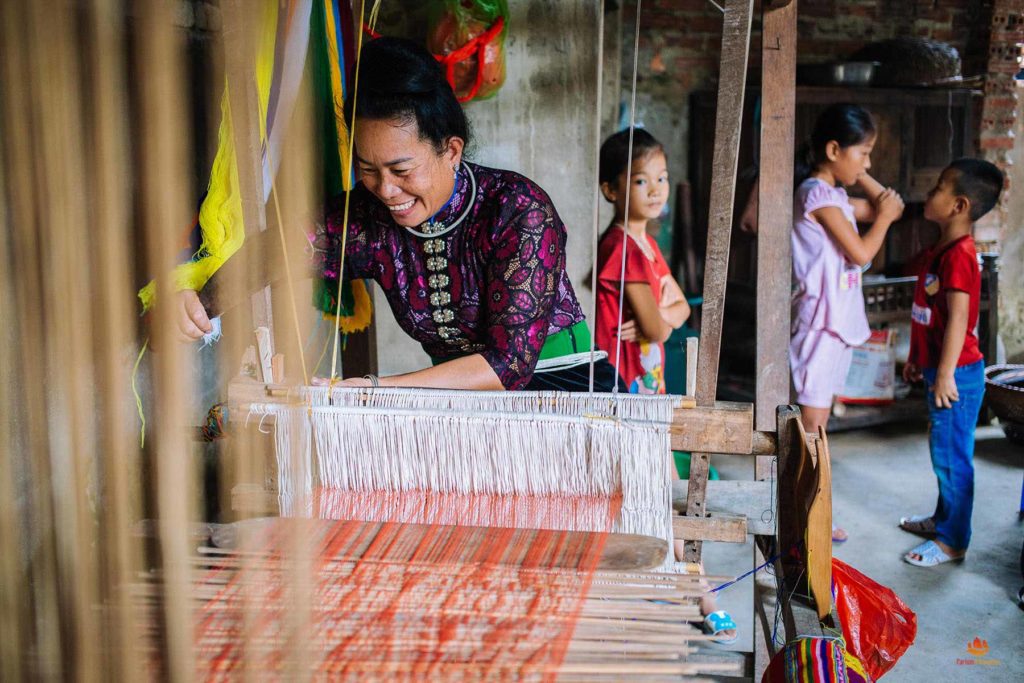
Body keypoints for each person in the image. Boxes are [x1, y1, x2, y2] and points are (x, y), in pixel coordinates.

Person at [174, 37, 620, 392]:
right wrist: (199, 305)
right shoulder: (368, 220)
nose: (386, 190)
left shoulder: (518, 210)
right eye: (368, 170)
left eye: (401, 170)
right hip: (457, 413)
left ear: (450, 150)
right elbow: (275, 252)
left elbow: (509, 367)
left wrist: (374, 390)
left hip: (567, 400)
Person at [900, 158, 1003, 567]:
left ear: (959, 205)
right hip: (940, 369)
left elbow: (960, 319)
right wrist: (916, 359)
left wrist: (943, 374)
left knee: (951, 457)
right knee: (942, 451)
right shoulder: (940, 248)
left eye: (939, 187)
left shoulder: (961, 254)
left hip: (957, 375)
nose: (930, 193)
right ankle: (943, 521)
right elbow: (927, 310)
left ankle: (953, 541)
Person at [790, 103, 905, 436]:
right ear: (834, 149)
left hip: (835, 319)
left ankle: (811, 486)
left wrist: (858, 172)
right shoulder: (816, 196)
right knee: (811, 422)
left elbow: (887, 206)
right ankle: (806, 487)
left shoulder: (835, 196)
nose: (868, 163)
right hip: (820, 320)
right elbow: (860, 252)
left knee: (817, 419)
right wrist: (883, 217)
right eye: (864, 153)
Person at [593, 128, 689, 394]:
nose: (655, 190)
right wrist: (662, 322)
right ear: (611, 190)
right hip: (622, 383)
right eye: (641, 182)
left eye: (662, 178)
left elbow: (684, 309)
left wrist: (660, 319)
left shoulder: (647, 244)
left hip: (644, 375)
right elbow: (656, 330)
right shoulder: (623, 249)